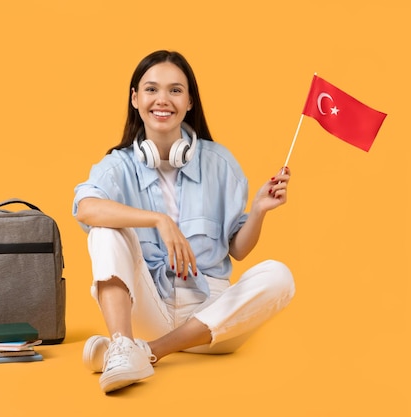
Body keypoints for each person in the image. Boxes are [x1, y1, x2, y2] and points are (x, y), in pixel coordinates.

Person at [72, 50, 295, 393]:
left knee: (280, 276)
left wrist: (260, 209)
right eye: (151, 89)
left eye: (175, 90)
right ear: (135, 98)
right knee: (104, 229)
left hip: (212, 318)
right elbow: (85, 208)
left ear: (190, 101)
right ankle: (122, 341)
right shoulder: (118, 166)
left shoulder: (221, 163)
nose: (163, 100)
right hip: (149, 308)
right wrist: (159, 220)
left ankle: (141, 351)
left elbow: (238, 249)